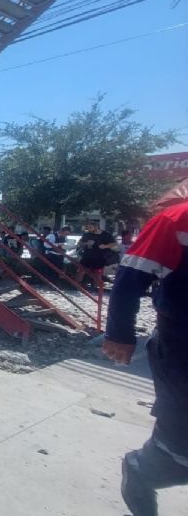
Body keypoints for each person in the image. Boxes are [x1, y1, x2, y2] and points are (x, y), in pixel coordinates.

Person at [103, 202, 188, 516]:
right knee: (181, 446)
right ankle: (142, 469)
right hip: (181, 343)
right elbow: (130, 278)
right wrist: (120, 334)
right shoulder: (176, 220)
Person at [73, 220, 116, 288]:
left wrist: (104, 246)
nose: (89, 229)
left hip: (99, 257)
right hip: (87, 256)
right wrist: (86, 243)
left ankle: (97, 289)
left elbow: (114, 244)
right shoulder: (87, 234)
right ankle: (76, 286)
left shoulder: (105, 234)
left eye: (90, 227)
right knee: (80, 271)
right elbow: (79, 243)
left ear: (96, 227)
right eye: (88, 227)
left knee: (97, 274)